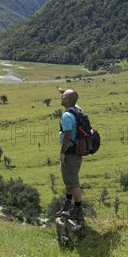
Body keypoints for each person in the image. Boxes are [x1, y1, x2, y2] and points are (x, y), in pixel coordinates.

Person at [56, 87, 84, 222]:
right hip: (77, 152)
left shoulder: (67, 115)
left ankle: (78, 210)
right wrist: (66, 93)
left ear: (67, 100)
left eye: (63, 97)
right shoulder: (77, 110)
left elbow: (67, 135)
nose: (61, 98)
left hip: (70, 152)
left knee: (73, 183)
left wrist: (62, 153)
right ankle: (67, 205)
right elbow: (74, 100)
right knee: (68, 180)